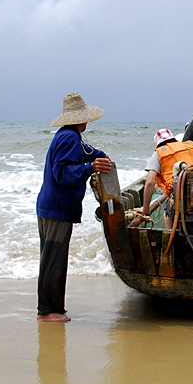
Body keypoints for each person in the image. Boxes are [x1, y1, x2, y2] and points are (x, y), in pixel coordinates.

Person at [36, 92, 112, 322]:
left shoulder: (69, 135)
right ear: (82, 119)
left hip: (50, 205)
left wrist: (99, 157)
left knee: (52, 258)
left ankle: (54, 306)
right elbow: (62, 173)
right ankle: (47, 311)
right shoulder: (69, 138)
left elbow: (87, 152)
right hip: (57, 208)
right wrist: (90, 168)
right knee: (53, 259)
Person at [137, 128, 193, 229]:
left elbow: (150, 183)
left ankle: (171, 233)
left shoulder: (159, 153)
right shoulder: (190, 146)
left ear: (158, 144)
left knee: (167, 208)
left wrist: (146, 209)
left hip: (181, 199)